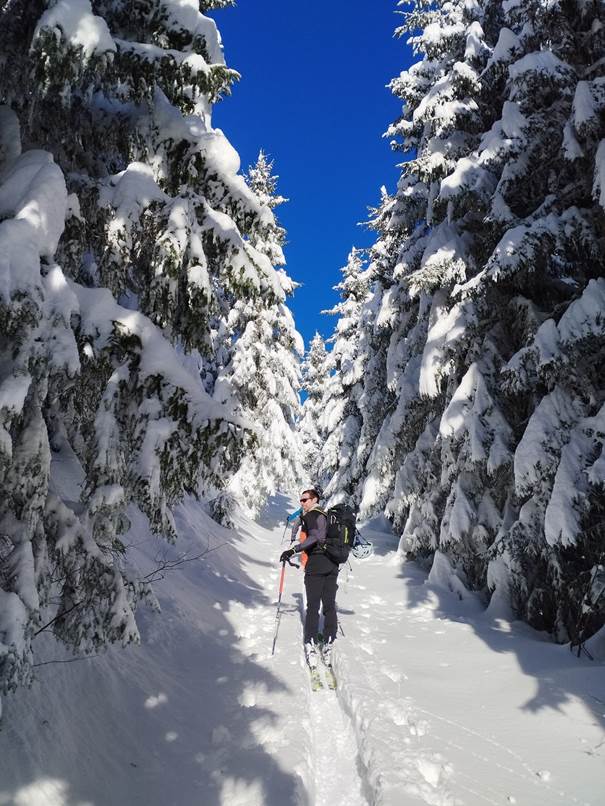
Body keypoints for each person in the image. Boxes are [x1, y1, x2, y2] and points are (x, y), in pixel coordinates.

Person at [279, 489, 339, 669]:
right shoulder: (327, 515)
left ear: (314, 500)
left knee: (313, 606)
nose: (302, 503)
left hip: (317, 564)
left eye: (305, 499)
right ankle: (329, 642)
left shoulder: (312, 515)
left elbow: (316, 537)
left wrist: (293, 549)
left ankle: (310, 643)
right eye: (301, 500)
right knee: (329, 605)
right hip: (332, 564)